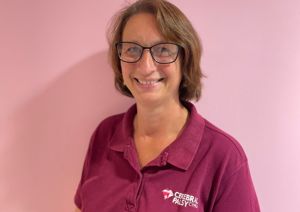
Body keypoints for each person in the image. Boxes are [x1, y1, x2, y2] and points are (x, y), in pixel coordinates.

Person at [74, 0, 260, 211]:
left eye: (163, 49)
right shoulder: (104, 134)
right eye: (132, 49)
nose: (145, 67)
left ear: (185, 59)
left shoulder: (224, 157)